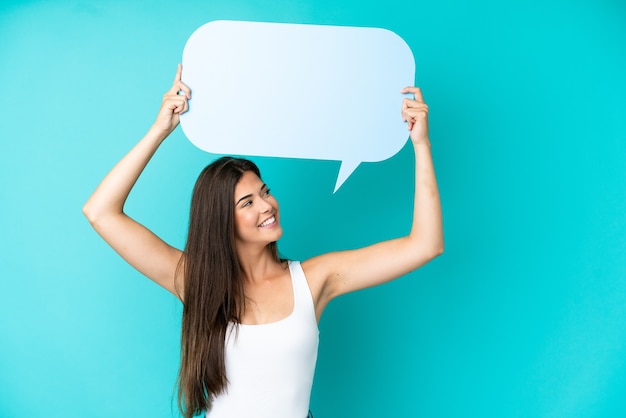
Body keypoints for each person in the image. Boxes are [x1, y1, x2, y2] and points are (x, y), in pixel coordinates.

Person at [83, 64, 443, 418]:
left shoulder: (314, 279)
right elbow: (100, 211)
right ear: (220, 221)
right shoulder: (196, 281)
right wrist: (159, 130)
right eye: (248, 202)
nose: (268, 205)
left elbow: (426, 245)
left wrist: (421, 144)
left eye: (265, 191)